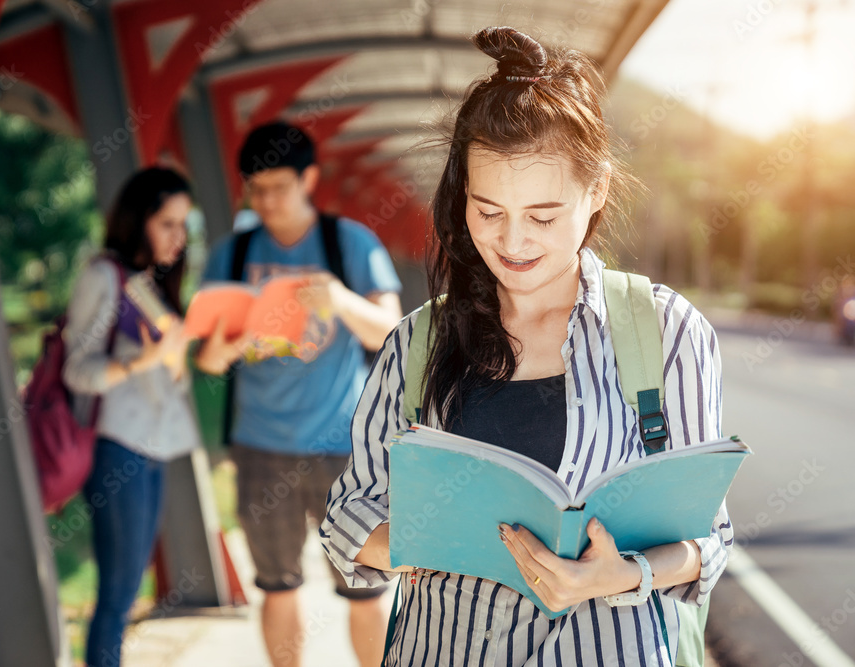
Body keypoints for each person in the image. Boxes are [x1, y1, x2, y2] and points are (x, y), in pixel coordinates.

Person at [320, 27, 733, 666]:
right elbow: (348, 512)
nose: (513, 242)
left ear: (595, 193)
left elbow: (710, 537)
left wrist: (616, 576)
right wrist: (417, 543)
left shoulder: (665, 331)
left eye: (542, 217)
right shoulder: (417, 342)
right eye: (488, 212)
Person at [194, 121, 404, 667]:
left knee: (367, 588)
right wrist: (228, 343)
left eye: (279, 187)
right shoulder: (233, 253)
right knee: (278, 585)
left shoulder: (348, 242)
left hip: (346, 448)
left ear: (309, 178)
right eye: (255, 189)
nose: (266, 201)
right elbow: (210, 360)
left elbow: (392, 330)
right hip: (261, 446)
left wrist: (337, 297)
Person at [62, 167, 199, 667]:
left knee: (128, 582)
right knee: (118, 592)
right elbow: (77, 369)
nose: (178, 239)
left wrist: (175, 357)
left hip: (156, 445)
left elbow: (173, 379)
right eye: (167, 224)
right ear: (138, 220)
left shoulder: (152, 285)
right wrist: (142, 360)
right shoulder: (104, 277)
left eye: (184, 226)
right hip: (118, 444)